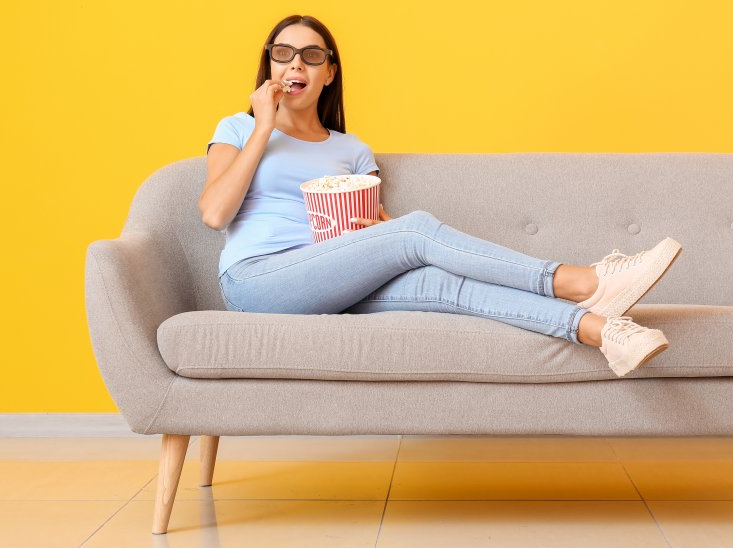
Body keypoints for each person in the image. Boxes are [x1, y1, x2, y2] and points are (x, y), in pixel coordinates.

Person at [199, 14, 683, 377]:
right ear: (268, 64)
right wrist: (263, 126)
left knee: (442, 284)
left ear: (329, 72)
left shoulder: (353, 150)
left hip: (335, 276)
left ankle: (604, 332)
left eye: (312, 55)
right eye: (282, 53)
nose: (295, 64)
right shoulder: (239, 128)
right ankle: (581, 280)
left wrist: (380, 230)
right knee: (416, 231)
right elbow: (215, 213)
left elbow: (373, 229)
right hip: (258, 280)